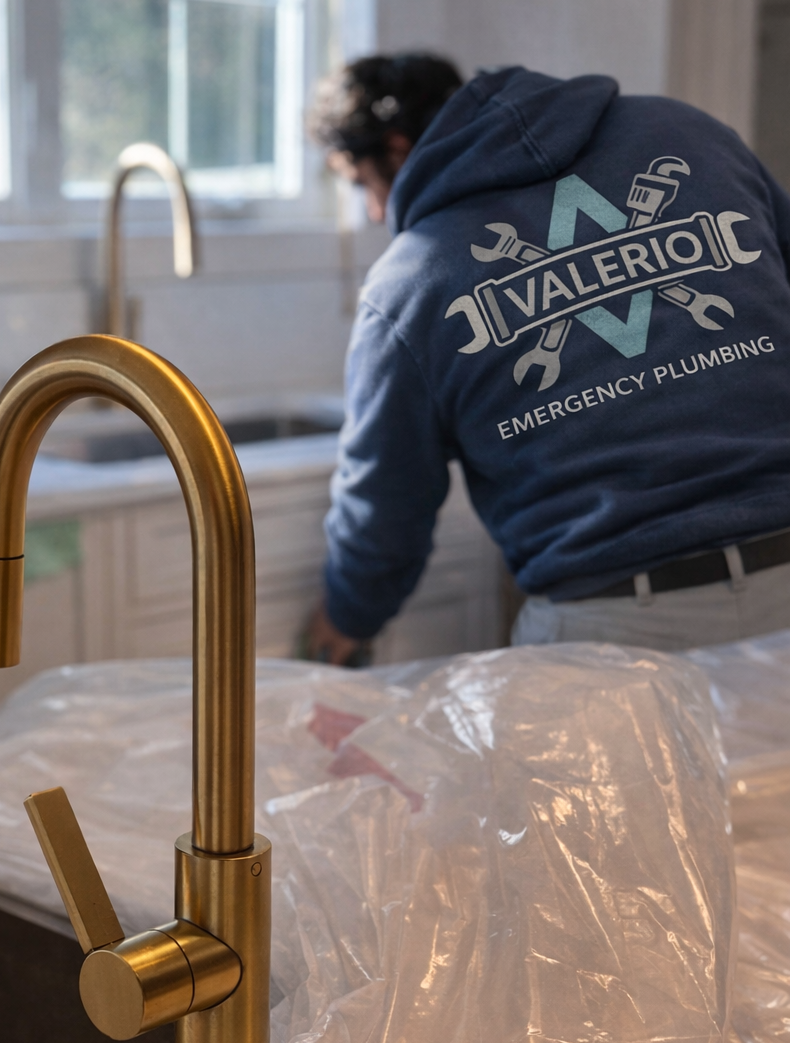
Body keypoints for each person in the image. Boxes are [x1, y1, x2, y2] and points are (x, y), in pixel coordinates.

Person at [305, 53, 790, 661]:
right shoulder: (690, 134)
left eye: (361, 185)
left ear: (397, 150)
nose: (375, 211)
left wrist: (345, 620)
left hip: (612, 642)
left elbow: (384, 504)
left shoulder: (407, 284)